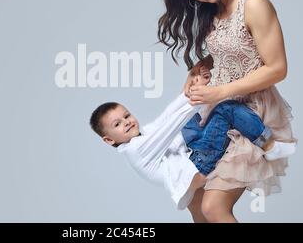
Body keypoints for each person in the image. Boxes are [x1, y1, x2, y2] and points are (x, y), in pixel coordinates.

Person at [157, 0, 297, 222]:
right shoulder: (213, 9)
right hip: (218, 110)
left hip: (251, 115)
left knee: (214, 207)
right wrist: (198, 67)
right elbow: (231, 47)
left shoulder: (254, 3)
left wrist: (219, 92)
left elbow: (277, 68)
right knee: (195, 199)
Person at [89, 68, 295, 222]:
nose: (127, 122)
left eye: (126, 115)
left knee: (189, 120)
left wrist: (189, 91)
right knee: (225, 108)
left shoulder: (142, 135)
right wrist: (200, 96)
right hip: (199, 163)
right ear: (109, 140)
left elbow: (166, 117)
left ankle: (200, 93)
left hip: (193, 157)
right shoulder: (136, 149)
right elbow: (170, 125)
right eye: (117, 124)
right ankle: (268, 145)